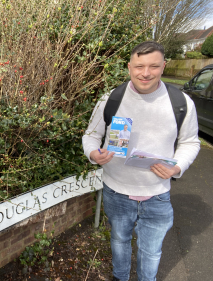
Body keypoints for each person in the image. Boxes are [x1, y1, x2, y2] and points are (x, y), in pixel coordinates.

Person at [82, 41, 200, 281]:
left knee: (151, 252)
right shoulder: (111, 99)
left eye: (153, 66)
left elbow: (191, 142)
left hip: (157, 195)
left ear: (164, 66)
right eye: (139, 66)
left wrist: (177, 166)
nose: (145, 73)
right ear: (129, 68)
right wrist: (94, 154)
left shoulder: (182, 103)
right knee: (119, 241)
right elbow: (91, 135)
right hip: (116, 191)